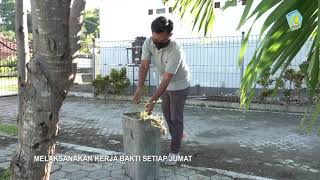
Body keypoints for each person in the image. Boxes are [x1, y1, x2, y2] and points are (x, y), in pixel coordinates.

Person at [132, 16, 190, 165]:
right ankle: (178, 133)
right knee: (167, 115)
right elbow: (144, 66)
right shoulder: (148, 42)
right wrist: (139, 87)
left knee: (176, 118)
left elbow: (167, 79)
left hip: (179, 85)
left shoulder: (176, 50)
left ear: (169, 35)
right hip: (164, 84)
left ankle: (175, 151)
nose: (156, 44)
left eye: (161, 41)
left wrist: (152, 100)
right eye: (155, 39)